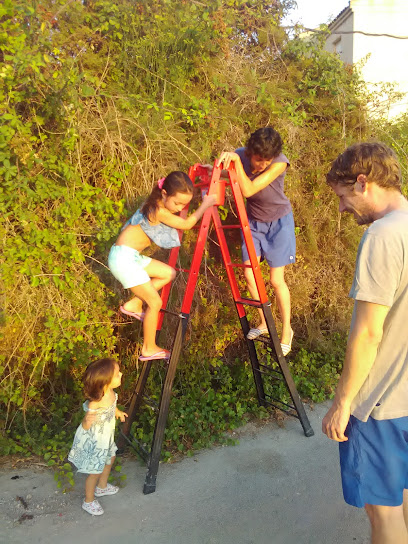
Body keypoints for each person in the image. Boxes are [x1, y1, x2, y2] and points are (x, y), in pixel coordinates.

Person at [322, 142, 408, 544]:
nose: (341, 209)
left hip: (382, 404)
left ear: (363, 182)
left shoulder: (383, 235)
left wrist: (343, 403)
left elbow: (369, 332)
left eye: (342, 197)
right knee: (402, 496)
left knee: (384, 514)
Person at [108, 172, 216, 361]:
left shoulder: (156, 204)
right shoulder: (158, 210)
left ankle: (134, 303)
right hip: (123, 259)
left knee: (169, 273)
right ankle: (148, 348)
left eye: (184, 204)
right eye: (178, 203)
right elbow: (187, 224)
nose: (180, 208)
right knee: (155, 303)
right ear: (164, 193)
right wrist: (206, 204)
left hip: (131, 256)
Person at [217, 127, 295, 355]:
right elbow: (222, 177)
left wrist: (236, 165)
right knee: (249, 273)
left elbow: (249, 190)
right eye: (259, 159)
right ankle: (263, 322)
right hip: (253, 221)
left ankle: (287, 330)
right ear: (250, 151)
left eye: (266, 161)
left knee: (275, 279)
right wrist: (218, 169)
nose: (261, 165)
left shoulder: (280, 162)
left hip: (279, 221)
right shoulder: (240, 154)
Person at [68, 357, 128, 516]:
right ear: (105, 381)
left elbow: (112, 406)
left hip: (106, 439)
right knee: (95, 471)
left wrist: (118, 413)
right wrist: (86, 420)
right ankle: (88, 500)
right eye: (116, 374)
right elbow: (86, 425)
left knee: (111, 459)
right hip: (96, 442)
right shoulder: (96, 402)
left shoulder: (111, 393)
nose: (121, 374)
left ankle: (102, 487)